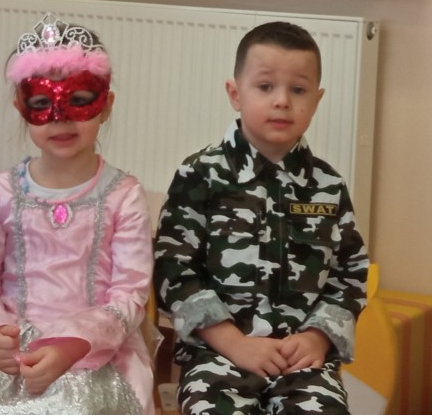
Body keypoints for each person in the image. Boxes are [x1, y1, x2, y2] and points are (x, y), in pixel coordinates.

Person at [154, 21, 370, 414]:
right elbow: (173, 269)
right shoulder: (200, 175)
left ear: (317, 99)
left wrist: (318, 337)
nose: (282, 101)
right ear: (235, 94)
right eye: (265, 86)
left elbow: (350, 274)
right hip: (218, 358)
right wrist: (233, 342)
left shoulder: (328, 186)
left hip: (301, 362)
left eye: (298, 90)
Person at [0, 15, 155, 415]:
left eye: (80, 100)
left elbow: (130, 295)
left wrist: (70, 347)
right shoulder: (2, 191)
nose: (60, 117)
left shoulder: (123, 195)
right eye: (41, 103)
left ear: (106, 105)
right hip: (13, 352)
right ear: (21, 107)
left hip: (92, 353)